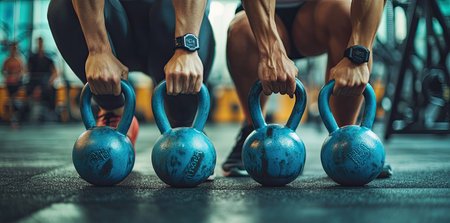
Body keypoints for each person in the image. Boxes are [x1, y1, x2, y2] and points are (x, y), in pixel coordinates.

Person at [223, 0, 392, 178]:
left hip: (319, 11)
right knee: (241, 30)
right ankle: (254, 132)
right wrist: (270, 50)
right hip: (264, 13)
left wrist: (358, 55)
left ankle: (347, 140)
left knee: (346, 15)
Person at [47, 0, 215, 145]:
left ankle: (184, 126)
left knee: (169, 11)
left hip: (175, 29)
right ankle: (114, 112)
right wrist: (98, 50)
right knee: (63, 7)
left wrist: (186, 49)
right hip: (117, 28)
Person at [27, 37, 58, 118]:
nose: (40, 45)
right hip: (34, 82)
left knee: (53, 90)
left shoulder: (48, 59)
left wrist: (50, 81)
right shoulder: (32, 58)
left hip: (45, 83)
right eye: (39, 43)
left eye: (41, 43)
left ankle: (52, 112)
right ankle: (26, 112)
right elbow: (27, 71)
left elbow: (55, 73)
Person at [1, 42, 24, 127]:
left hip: (17, 83)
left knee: (14, 100)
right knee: (10, 100)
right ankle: (11, 117)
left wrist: (16, 75)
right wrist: (9, 75)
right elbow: (3, 71)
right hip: (9, 83)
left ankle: (15, 117)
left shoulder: (19, 60)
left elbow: (23, 71)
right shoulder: (7, 60)